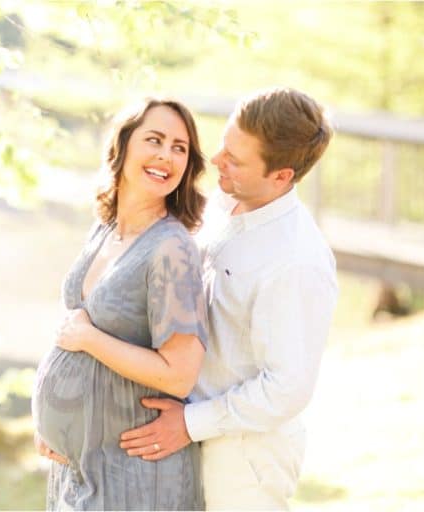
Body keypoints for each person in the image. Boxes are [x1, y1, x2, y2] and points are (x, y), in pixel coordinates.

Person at [118, 87, 338, 510]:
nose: (215, 161)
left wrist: (189, 423)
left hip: (242, 460)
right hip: (184, 434)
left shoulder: (297, 261)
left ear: (282, 176)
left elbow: (288, 389)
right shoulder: (222, 205)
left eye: (235, 161)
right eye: (224, 146)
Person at [31, 97, 209, 510]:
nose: (167, 156)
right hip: (78, 466)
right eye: (155, 140)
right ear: (124, 144)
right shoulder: (106, 228)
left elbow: (179, 375)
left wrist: (89, 339)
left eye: (179, 148)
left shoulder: (171, 249)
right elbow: (75, 326)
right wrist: (49, 421)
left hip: (133, 474)